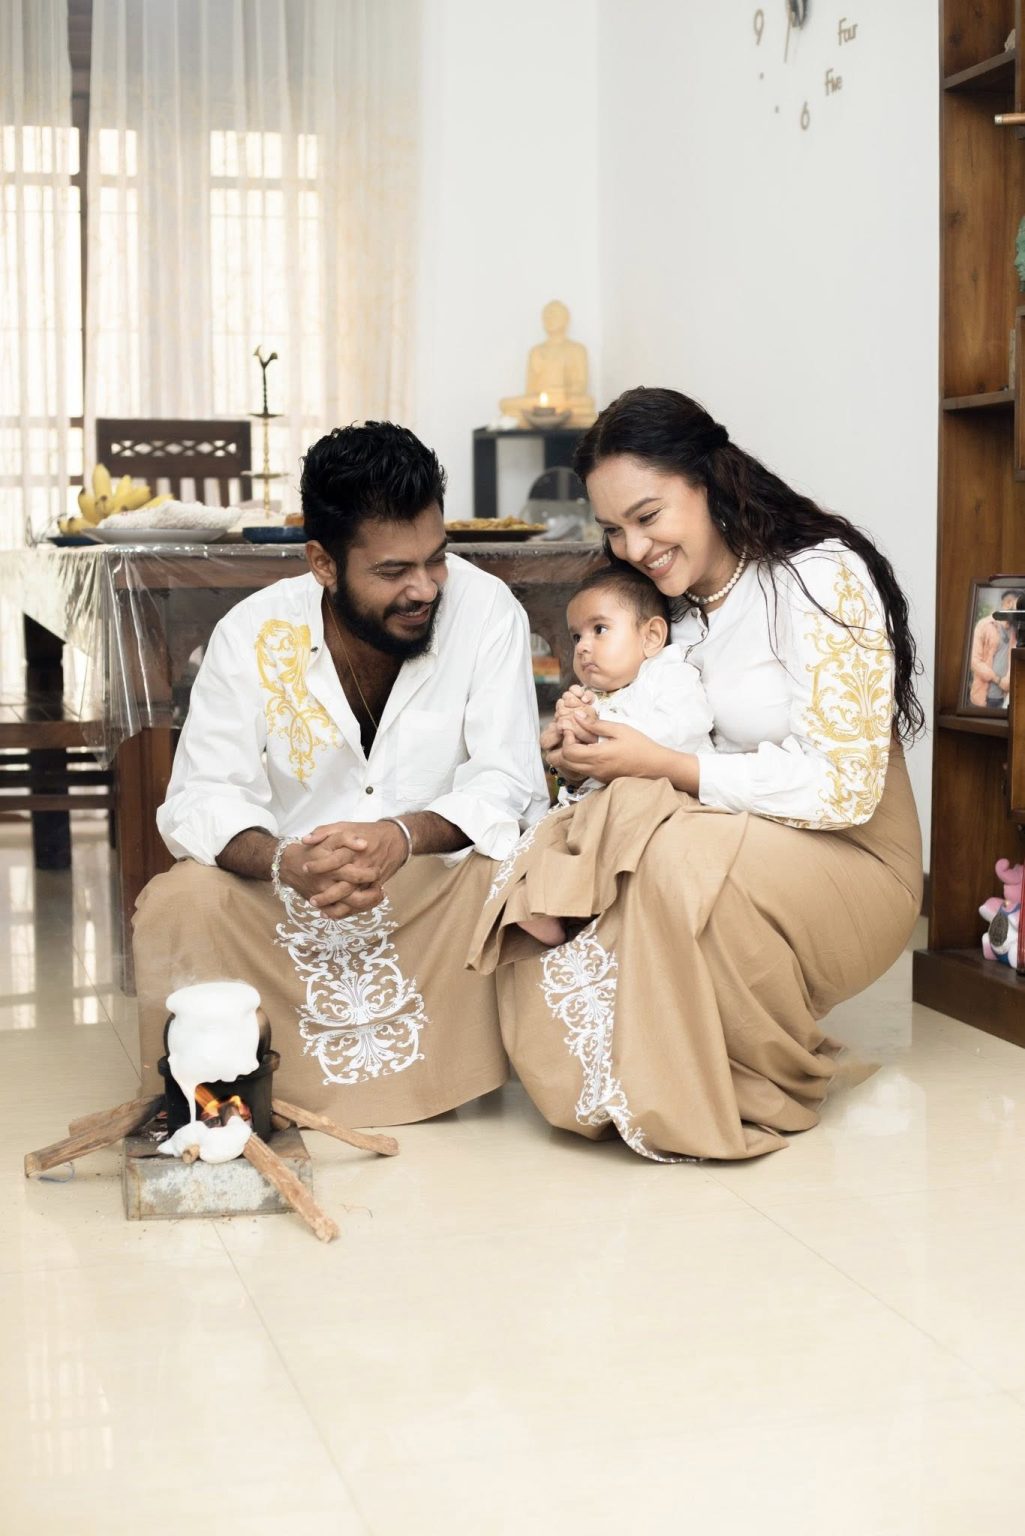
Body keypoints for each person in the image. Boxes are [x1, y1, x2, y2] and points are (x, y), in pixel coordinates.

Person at [469, 386, 924, 1163]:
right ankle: (632, 1080)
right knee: (558, 841)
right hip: (733, 834)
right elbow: (644, 739)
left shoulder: (817, 576)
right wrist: (586, 747)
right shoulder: (662, 610)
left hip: (852, 853)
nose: (633, 547)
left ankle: (736, 1084)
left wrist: (664, 766)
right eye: (613, 529)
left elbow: (844, 788)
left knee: (665, 846)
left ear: (710, 481)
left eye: (648, 516)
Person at [133, 422, 549, 1124]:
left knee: (520, 872)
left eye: (436, 559)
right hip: (291, 902)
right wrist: (285, 862)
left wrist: (402, 836)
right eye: (393, 571)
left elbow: (509, 782)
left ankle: (450, 1074)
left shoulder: (486, 612)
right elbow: (201, 797)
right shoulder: (252, 631)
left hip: (432, 900)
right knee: (183, 901)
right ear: (323, 563)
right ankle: (226, 1087)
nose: (423, 588)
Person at [518, 563, 713, 947]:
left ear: (651, 636)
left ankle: (565, 903)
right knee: (548, 825)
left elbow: (687, 727)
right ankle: (539, 897)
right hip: (603, 804)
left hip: (670, 796)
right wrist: (568, 738)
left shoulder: (669, 674)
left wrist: (601, 735)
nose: (582, 646)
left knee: (616, 809)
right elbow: (576, 773)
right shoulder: (595, 696)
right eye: (576, 636)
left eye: (600, 630)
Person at [970, 590, 1018, 708]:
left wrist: (1008, 680)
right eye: (1019, 605)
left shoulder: (1014, 631)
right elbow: (974, 662)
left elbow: (1013, 660)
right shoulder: (984, 625)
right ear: (1008, 603)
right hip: (984, 697)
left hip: (1005, 698)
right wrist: (998, 680)